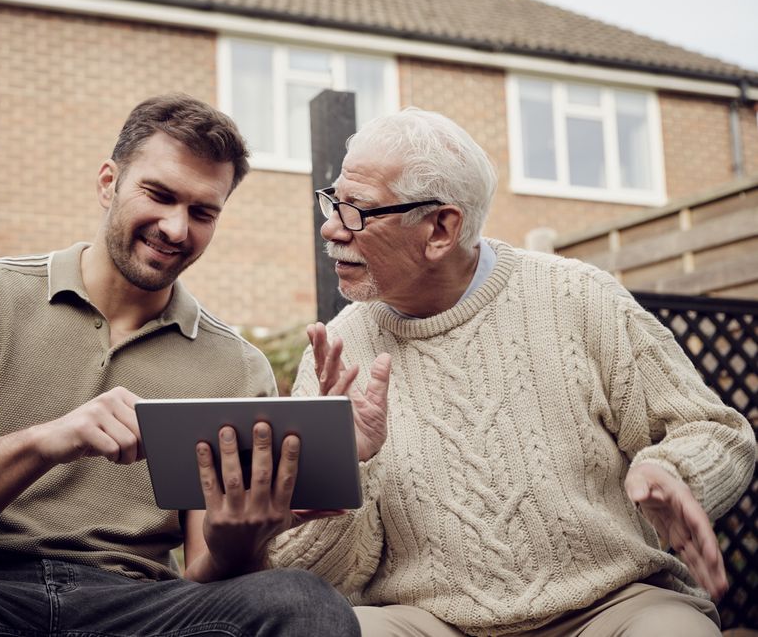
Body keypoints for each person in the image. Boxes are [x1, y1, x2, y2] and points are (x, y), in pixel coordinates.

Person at [0, 94, 360, 637]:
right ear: (108, 183)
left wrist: (240, 538)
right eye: (159, 194)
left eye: (201, 211)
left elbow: (202, 573)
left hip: (139, 608)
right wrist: (48, 440)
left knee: (305, 604)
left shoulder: (237, 365)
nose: (175, 228)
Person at [269, 107, 757, 637]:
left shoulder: (577, 297)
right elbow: (311, 576)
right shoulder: (337, 351)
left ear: (440, 228)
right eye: (333, 201)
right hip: (431, 622)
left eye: (357, 211)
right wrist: (348, 469)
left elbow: (713, 430)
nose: (331, 226)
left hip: (609, 605)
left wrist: (673, 471)